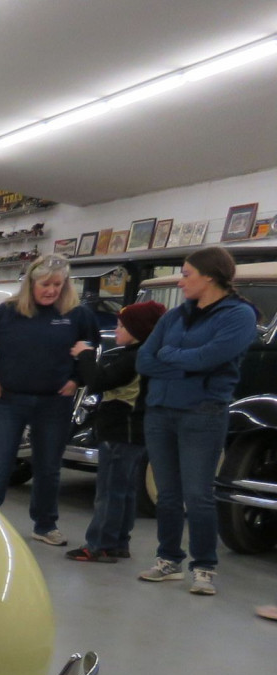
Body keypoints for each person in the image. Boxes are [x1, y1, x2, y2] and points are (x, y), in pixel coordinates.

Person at [135, 246, 260, 595]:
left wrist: (171, 356)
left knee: (198, 494)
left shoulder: (239, 315)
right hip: (159, 412)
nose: (181, 281)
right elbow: (144, 360)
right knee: (167, 494)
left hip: (202, 413)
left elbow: (210, 357)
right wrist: (185, 364)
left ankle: (204, 567)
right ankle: (168, 559)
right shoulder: (174, 316)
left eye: (187, 274)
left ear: (210, 276)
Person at [0, 253, 101, 545]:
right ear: (31, 283)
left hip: (54, 402)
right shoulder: (7, 313)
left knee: (48, 467)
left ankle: (45, 525)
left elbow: (91, 349)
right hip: (8, 400)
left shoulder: (77, 315)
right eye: (45, 284)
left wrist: (76, 379)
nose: (51, 290)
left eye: (58, 284)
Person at [66, 299, 166, 562]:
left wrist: (85, 354)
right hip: (134, 432)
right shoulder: (144, 354)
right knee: (125, 490)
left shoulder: (133, 358)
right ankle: (119, 541)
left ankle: (99, 544)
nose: (116, 330)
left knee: (109, 491)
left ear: (138, 330)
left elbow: (98, 381)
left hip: (121, 431)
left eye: (122, 326)